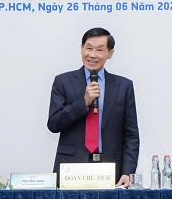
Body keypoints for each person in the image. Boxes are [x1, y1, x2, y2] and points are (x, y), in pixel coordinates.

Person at [48, 28, 140, 187]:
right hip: (71, 169)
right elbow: (54, 124)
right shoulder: (63, 82)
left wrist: (128, 172)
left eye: (99, 50)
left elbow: (131, 135)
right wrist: (83, 103)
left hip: (111, 169)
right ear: (81, 48)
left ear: (110, 53)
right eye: (89, 48)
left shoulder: (123, 86)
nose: (92, 54)